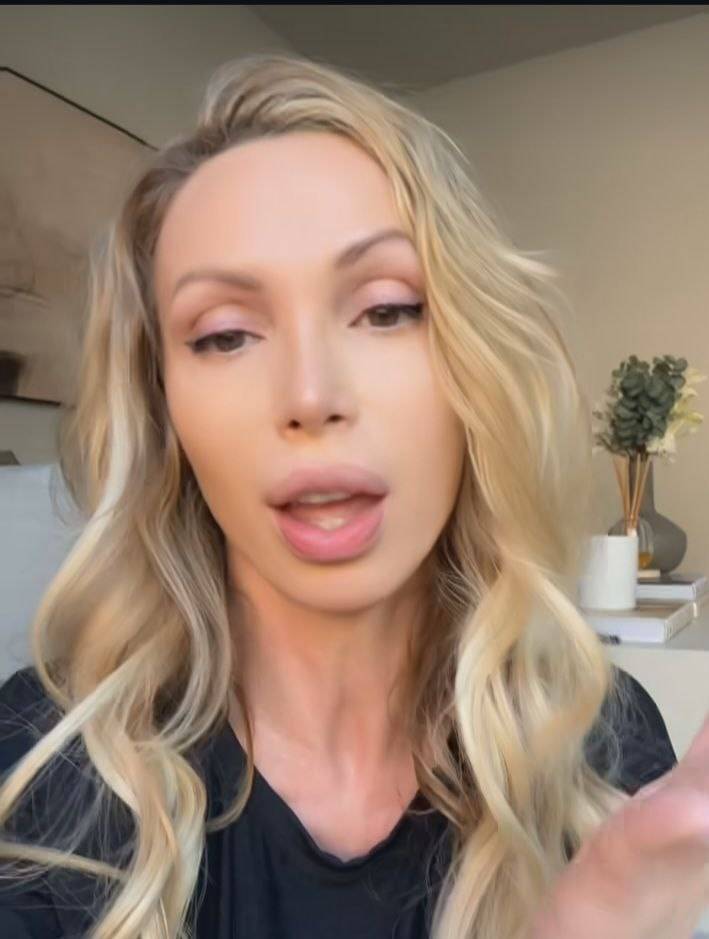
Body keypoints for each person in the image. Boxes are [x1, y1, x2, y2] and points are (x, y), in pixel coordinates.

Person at [0, 52, 697, 939]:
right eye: (225, 334)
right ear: (163, 407)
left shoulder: (600, 740)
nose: (310, 394)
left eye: (386, 310)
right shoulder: (38, 772)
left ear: (473, 365)